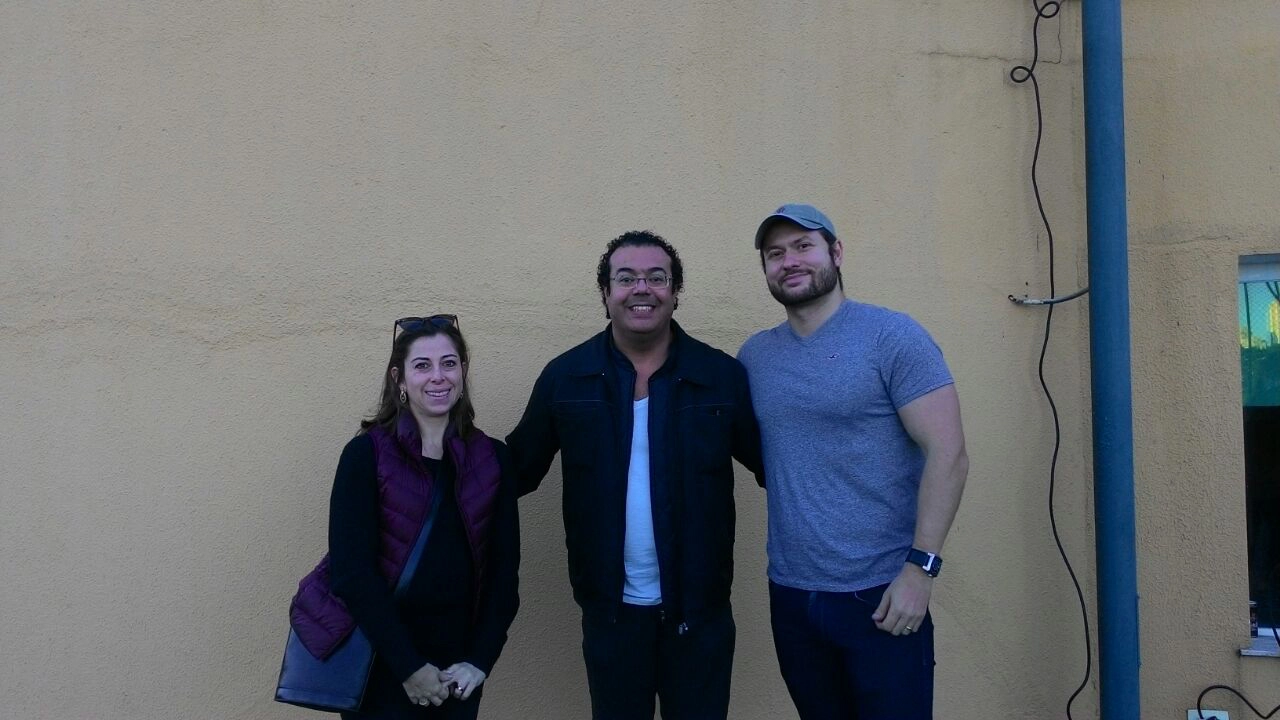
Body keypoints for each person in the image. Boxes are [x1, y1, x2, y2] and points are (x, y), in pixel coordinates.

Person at [507, 230, 763, 720]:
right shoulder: (567, 377)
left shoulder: (720, 376)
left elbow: (780, 469)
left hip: (700, 615)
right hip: (611, 615)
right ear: (605, 293)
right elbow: (512, 472)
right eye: (625, 278)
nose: (641, 288)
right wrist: (426, 453)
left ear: (674, 291)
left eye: (656, 277)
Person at [737, 204, 969, 720]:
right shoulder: (754, 358)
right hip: (792, 594)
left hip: (883, 595)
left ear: (836, 253)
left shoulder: (892, 337)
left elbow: (949, 455)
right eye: (775, 253)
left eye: (803, 246)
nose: (789, 261)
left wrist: (921, 571)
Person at [291, 315, 520, 719]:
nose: (438, 377)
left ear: (463, 372)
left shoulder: (493, 458)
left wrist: (480, 661)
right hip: (382, 665)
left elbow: (504, 575)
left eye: (449, 363)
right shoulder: (365, 456)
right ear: (399, 378)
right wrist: (408, 667)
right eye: (422, 365)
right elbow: (352, 573)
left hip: (456, 674)